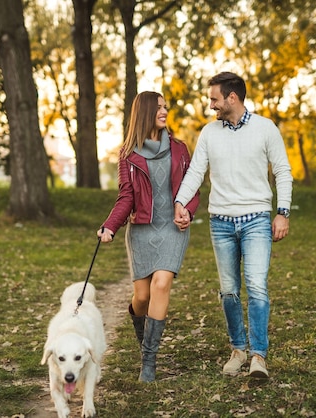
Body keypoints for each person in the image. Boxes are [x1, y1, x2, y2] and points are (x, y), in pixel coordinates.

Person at [174, 72, 293, 379]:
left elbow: (283, 170)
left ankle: (258, 356)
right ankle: (238, 350)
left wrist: (282, 212)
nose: (211, 104)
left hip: (256, 220)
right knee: (229, 292)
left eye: (214, 98)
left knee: (256, 287)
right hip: (221, 223)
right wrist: (180, 203)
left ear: (232, 97)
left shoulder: (266, 128)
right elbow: (195, 172)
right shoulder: (209, 133)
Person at [98, 91, 200, 382]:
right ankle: (145, 342)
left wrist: (188, 212)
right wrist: (110, 226)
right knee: (142, 297)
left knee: (161, 283)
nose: (165, 111)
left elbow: (193, 189)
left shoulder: (180, 149)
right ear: (144, 112)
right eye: (158, 107)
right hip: (141, 229)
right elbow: (125, 197)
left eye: (165, 106)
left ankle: (149, 361)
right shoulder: (128, 155)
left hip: (173, 228)